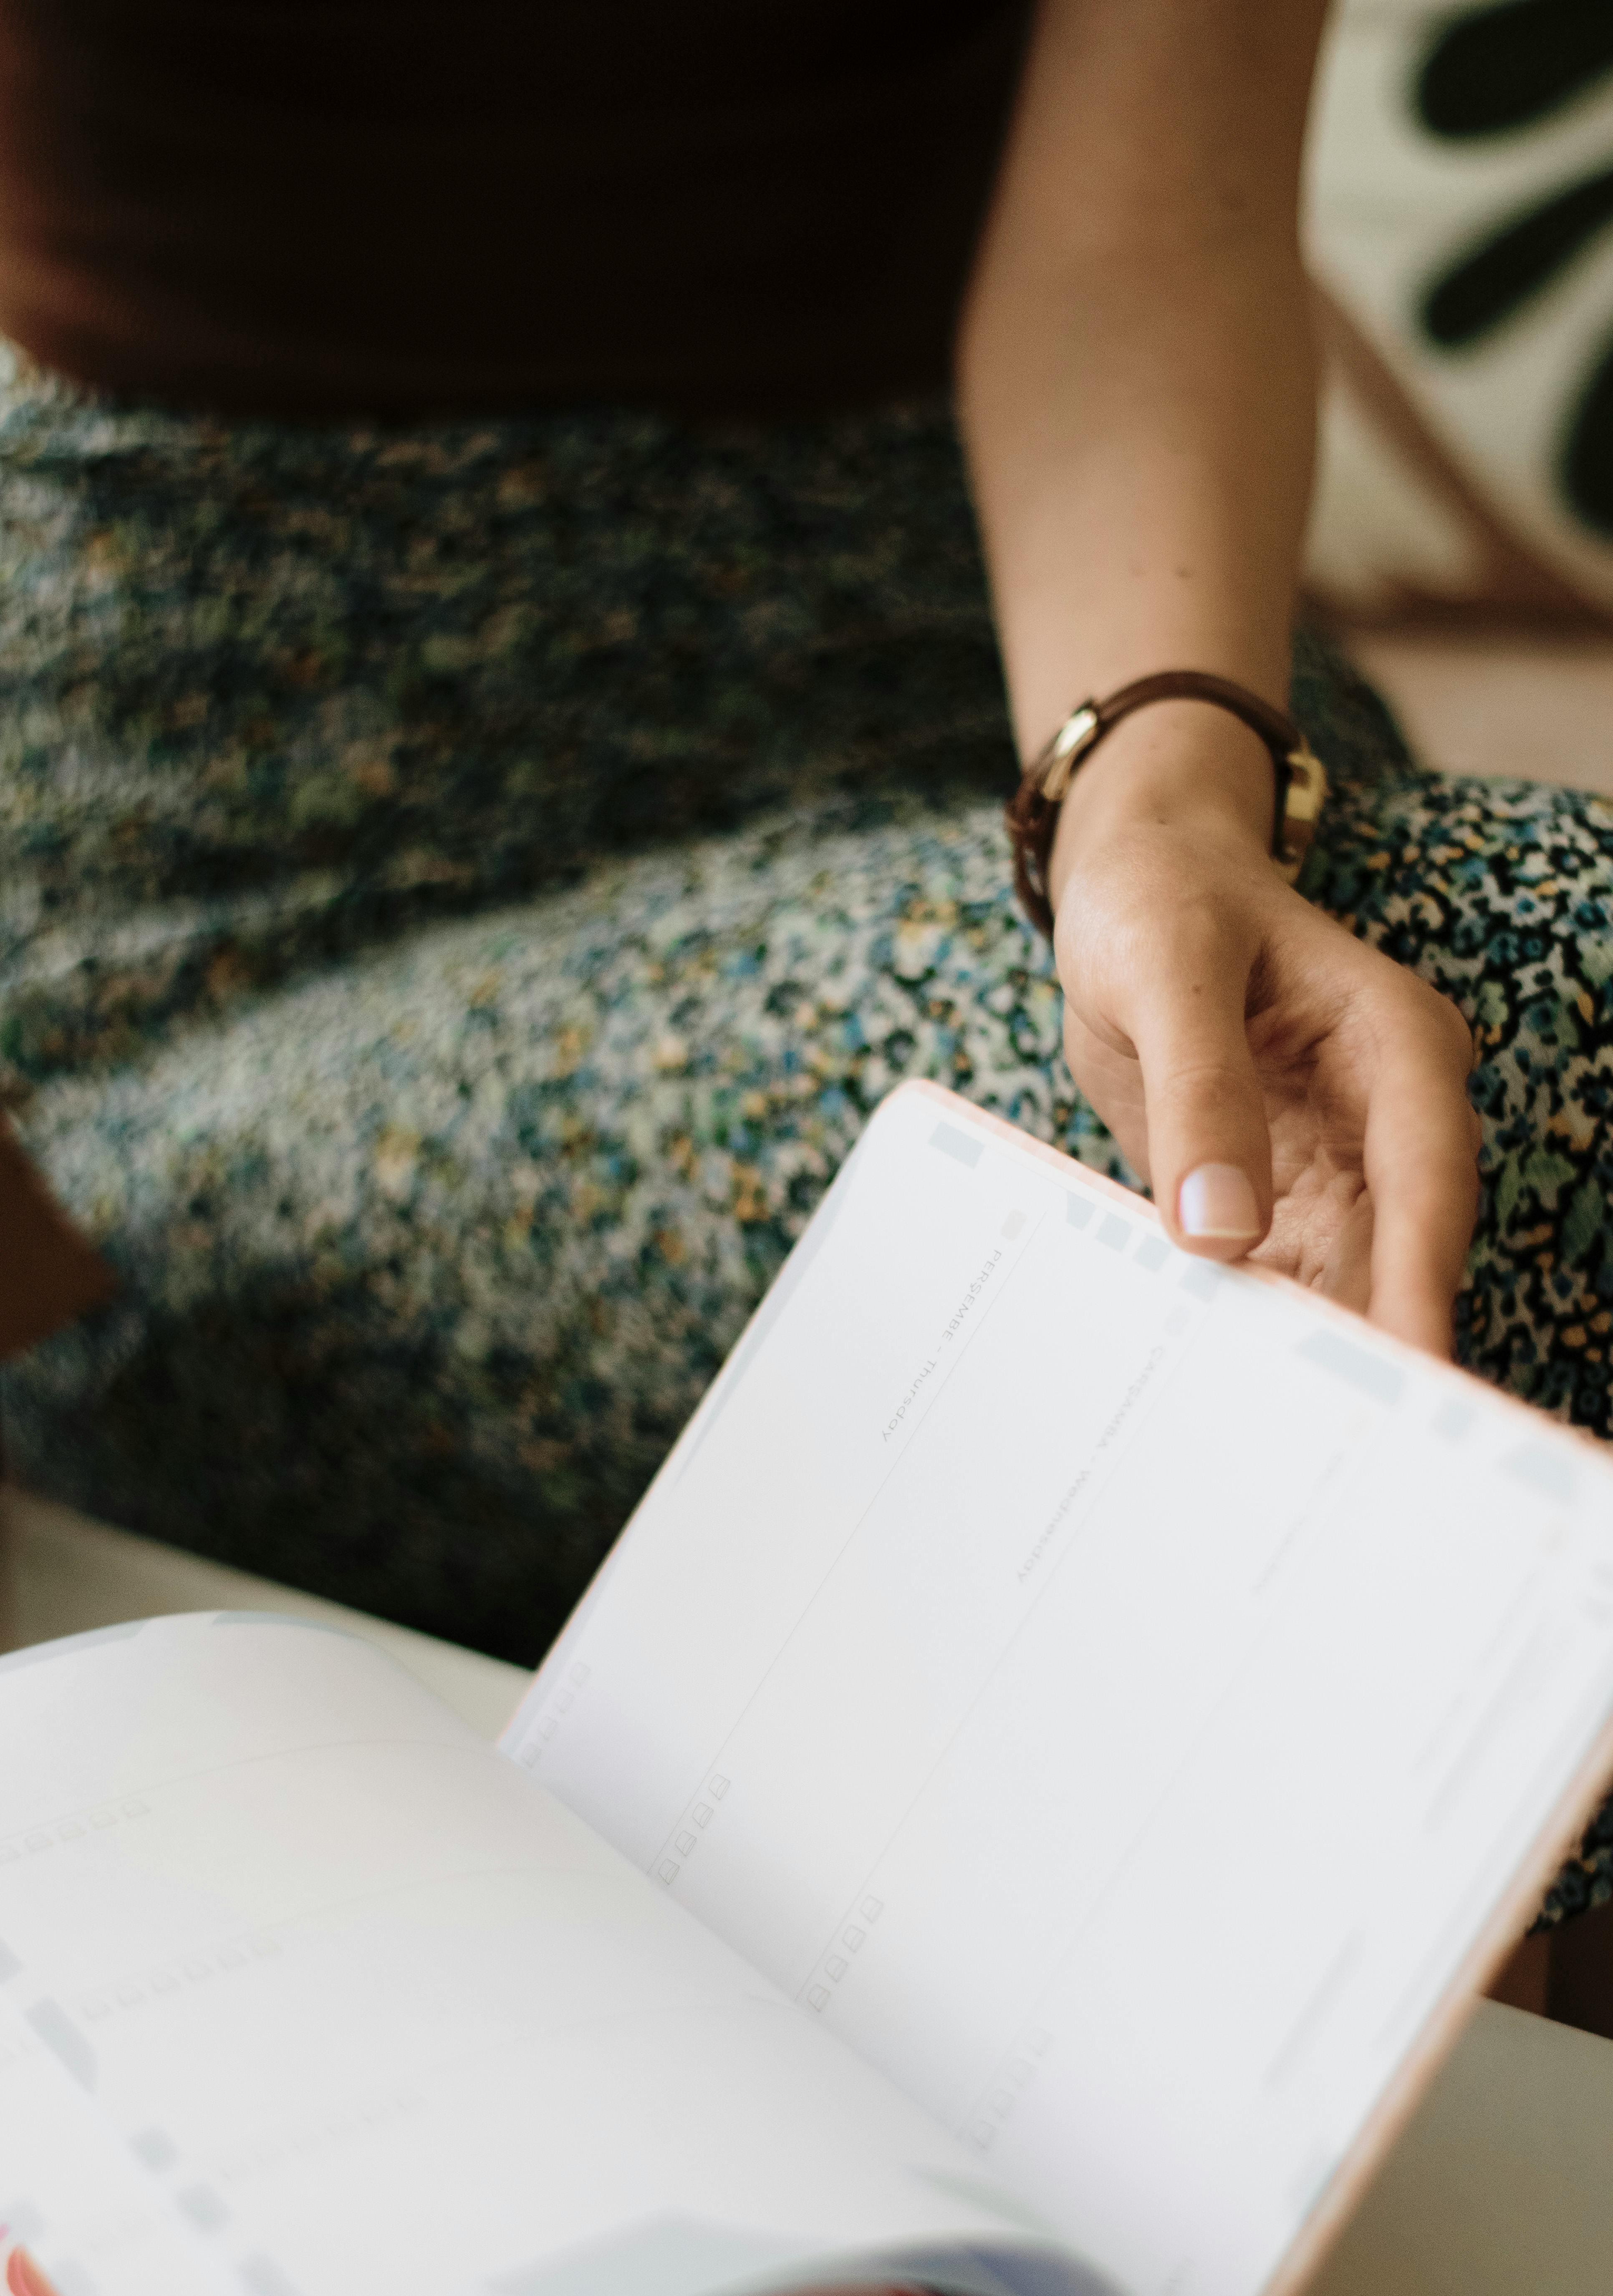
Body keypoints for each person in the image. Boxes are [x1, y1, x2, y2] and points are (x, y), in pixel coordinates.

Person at [0, 1, 1608, 1932]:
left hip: (1031, 633)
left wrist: (1148, 793)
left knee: (1443, 1078)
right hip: (238, 848)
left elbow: (1141, 230)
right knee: (1517, 1063)